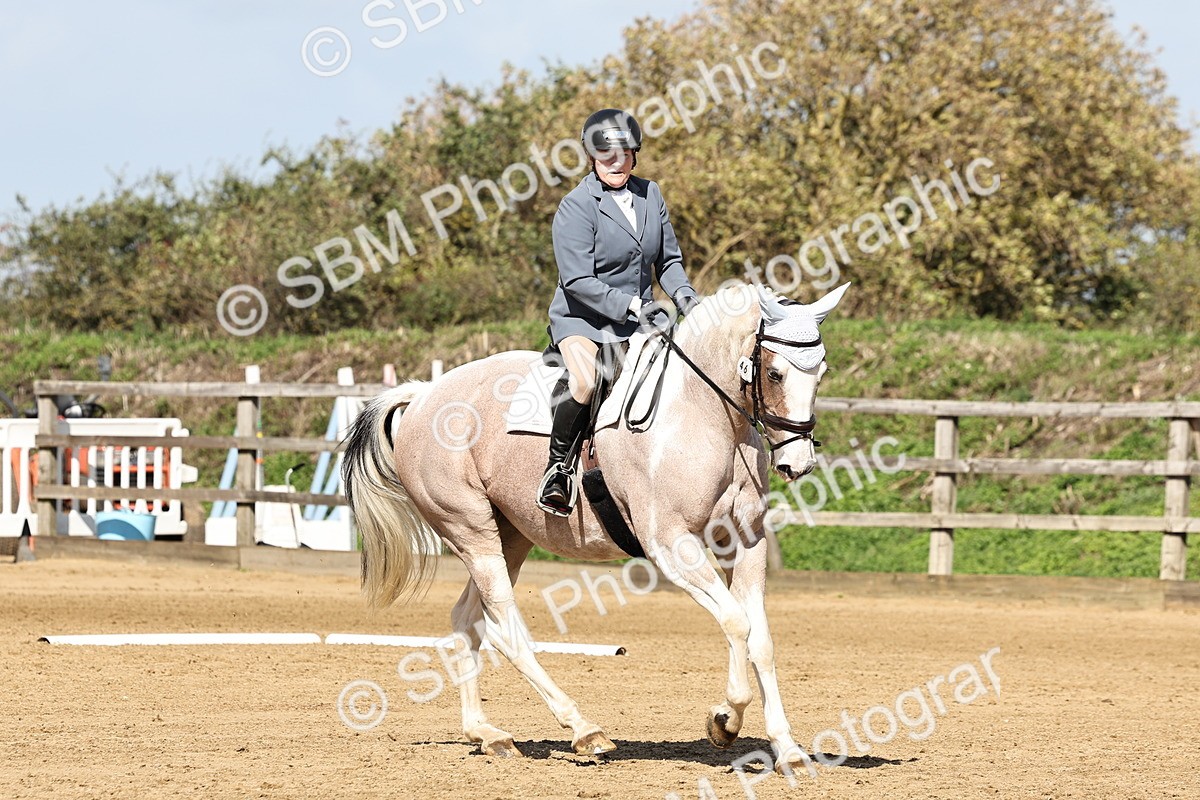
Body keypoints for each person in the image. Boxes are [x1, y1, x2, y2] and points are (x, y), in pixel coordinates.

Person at [536, 108, 701, 516]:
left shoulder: (651, 194)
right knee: (588, 379)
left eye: (624, 153)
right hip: (582, 321)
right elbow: (577, 280)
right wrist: (636, 305)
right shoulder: (576, 206)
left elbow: (668, 261)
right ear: (592, 158)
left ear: (634, 155)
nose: (615, 162)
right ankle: (557, 469)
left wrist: (687, 299)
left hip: (638, 322)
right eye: (605, 155)